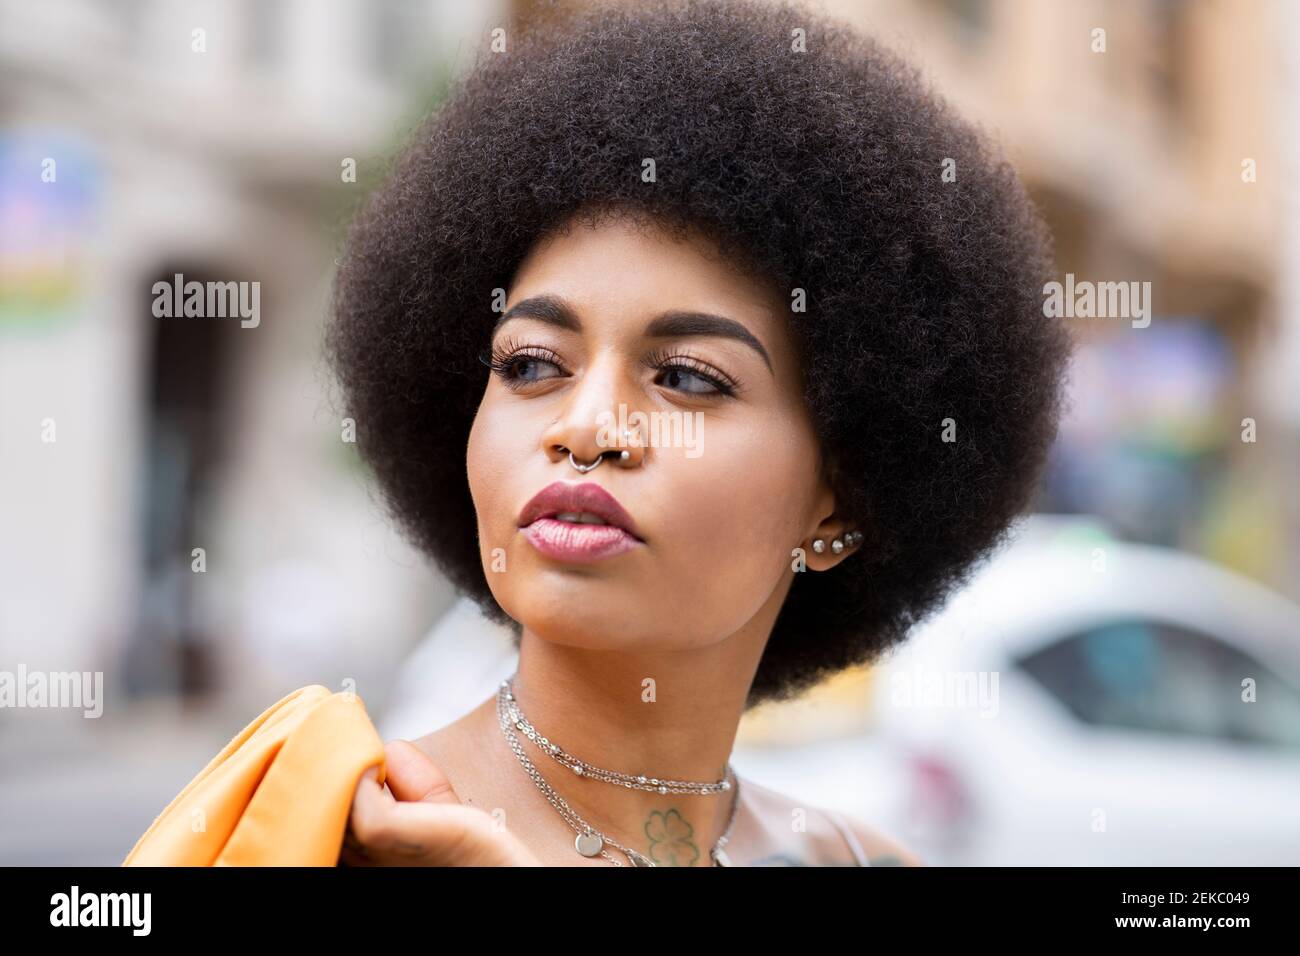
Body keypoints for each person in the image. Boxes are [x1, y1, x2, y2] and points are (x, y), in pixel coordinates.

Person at [325, 0, 1071, 866]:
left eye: (684, 378)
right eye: (531, 364)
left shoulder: (859, 861)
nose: (587, 427)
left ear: (838, 504)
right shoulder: (337, 829)